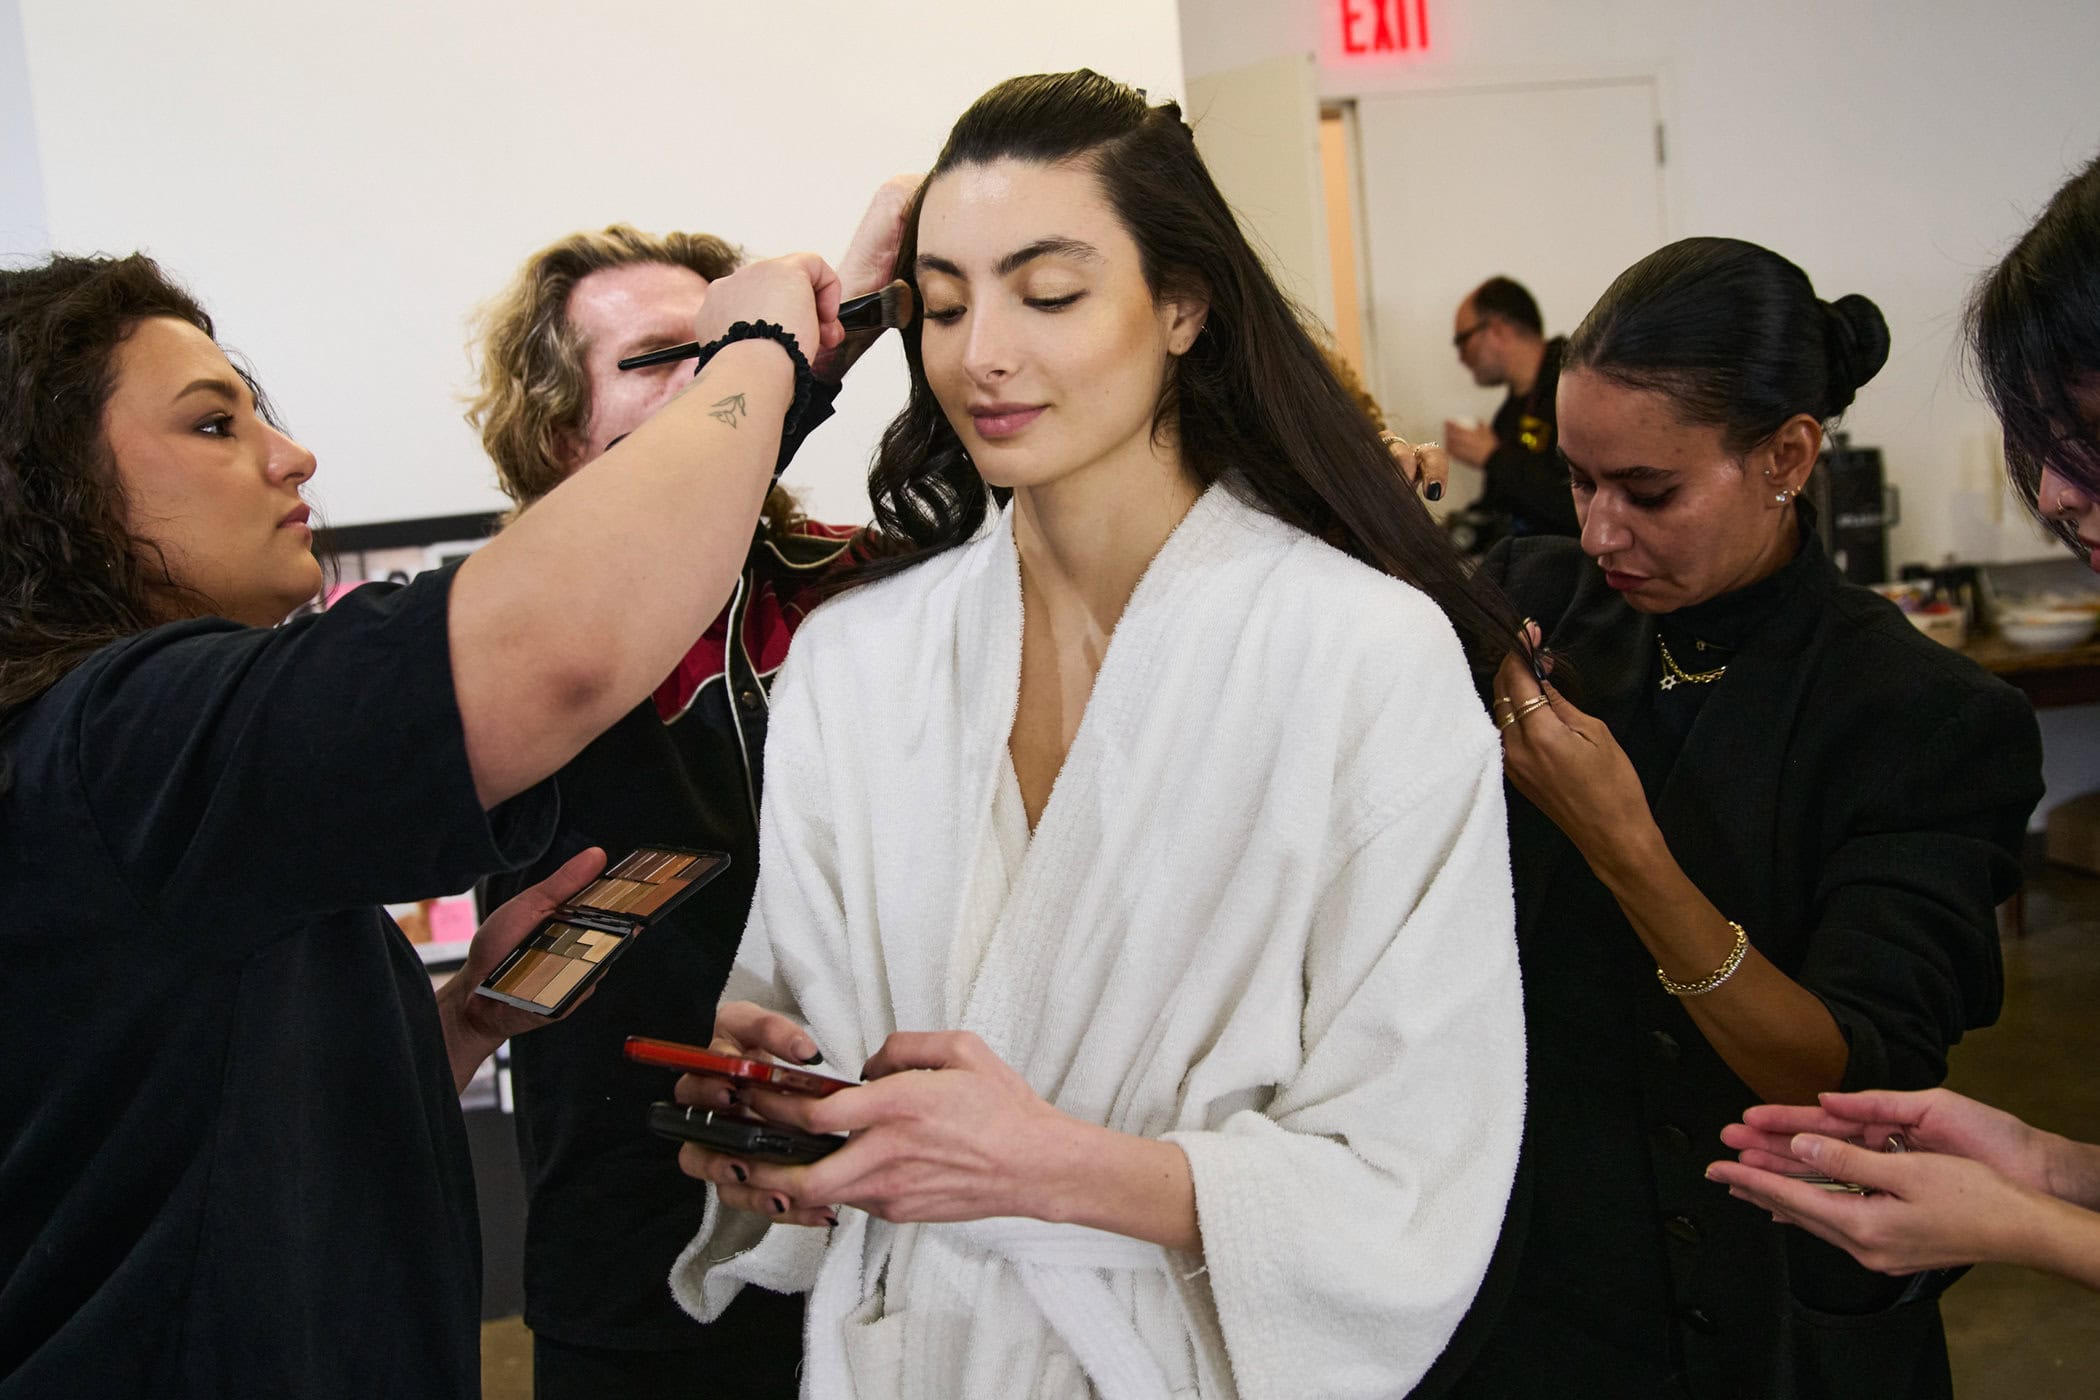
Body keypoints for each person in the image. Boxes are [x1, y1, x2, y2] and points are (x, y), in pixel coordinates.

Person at [662, 70, 1529, 1398]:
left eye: (1048, 293)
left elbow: (1419, 1161)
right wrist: (773, 1105)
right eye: (944, 304)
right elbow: (805, 1010)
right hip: (905, 1352)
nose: (981, 354)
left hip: (1169, 1361)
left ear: (1182, 305)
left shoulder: (1364, 656)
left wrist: (1049, 1165)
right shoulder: (859, 660)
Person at [0, 246, 840, 1397]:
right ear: (53, 483)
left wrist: (443, 1030)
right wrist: (760, 356)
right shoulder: (119, 738)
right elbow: (560, 645)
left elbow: (159, 1116)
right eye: (210, 426)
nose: (291, 456)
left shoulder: (106, 763)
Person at [1434, 238, 2044, 1400]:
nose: (1603, 530)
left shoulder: (1921, 716)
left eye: (1650, 492)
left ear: (1788, 454)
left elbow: (1844, 1070)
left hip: (1772, 1314)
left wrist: (1623, 845)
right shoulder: (1537, 606)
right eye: (1578, 481)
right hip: (1537, 1287)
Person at [465, 188, 911, 1400]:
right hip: (638, 1260)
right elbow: (646, 542)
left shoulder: (848, 586)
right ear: (560, 430)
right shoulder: (520, 621)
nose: (707, 384)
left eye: (719, 355)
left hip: (879, 1237)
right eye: (654, 361)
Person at [1709, 152, 2100, 1294]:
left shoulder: (1919, 715)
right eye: (2040, 443)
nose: (2058, 494)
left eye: (2080, 428)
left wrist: (2026, 1222)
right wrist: (2047, 1165)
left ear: (1789, 457)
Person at [1442, 275, 1578, 540]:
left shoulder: (1577, 387)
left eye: (1462, 340)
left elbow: (1581, 504)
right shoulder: (1510, 412)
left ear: (1497, 330)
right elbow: (1501, 508)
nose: (1460, 357)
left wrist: (1493, 458)